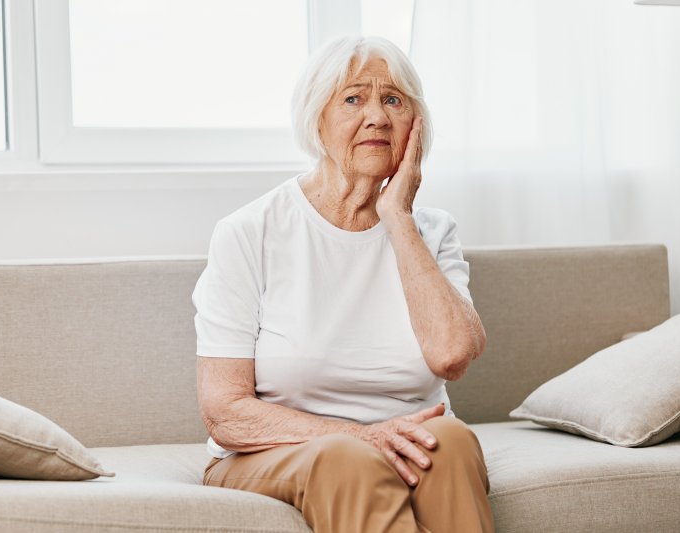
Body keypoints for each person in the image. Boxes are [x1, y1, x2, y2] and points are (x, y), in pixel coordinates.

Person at [192, 35, 493, 533]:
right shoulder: (250, 232)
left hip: (408, 442)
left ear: (415, 126)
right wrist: (362, 436)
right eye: (353, 98)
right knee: (347, 458)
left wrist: (397, 216)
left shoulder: (432, 231)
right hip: (276, 454)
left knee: (451, 441)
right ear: (317, 119)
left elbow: (452, 356)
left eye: (393, 100)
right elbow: (225, 412)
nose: (376, 116)